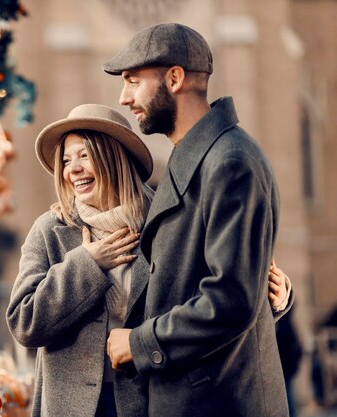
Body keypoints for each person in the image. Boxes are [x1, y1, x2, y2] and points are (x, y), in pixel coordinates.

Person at [6, 103, 292, 417]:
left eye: (84, 155)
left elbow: (208, 306)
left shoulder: (169, 221)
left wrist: (272, 302)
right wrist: (87, 264)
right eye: (65, 160)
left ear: (114, 156)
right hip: (72, 407)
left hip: (154, 401)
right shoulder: (51, 230)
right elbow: (24, 322)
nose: (71, 169)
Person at [103, 23, 289, 416]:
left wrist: (138, 343)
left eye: (134, 81)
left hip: (217, 402)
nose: (124, 97)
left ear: (174, 78)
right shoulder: (199, 156)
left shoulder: (230, 163)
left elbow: (229, 300)